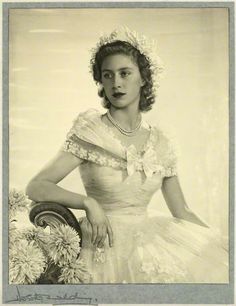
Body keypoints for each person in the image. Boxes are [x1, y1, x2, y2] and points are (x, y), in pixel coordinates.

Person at [26, 27, 228, 283]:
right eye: (107, 75)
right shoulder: (91, 132)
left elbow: (182, 211)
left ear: (143, 78)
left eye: (125, 73)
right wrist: (89, 203)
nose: (116, 83)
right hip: (101, 242)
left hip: (151, 241)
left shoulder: (162, 142)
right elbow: (36, 186)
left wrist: (221, 245)